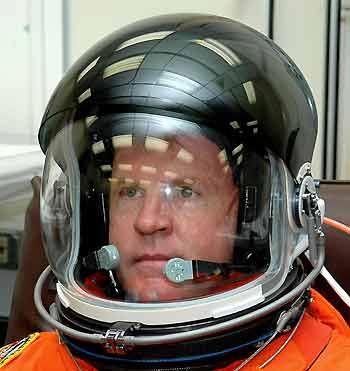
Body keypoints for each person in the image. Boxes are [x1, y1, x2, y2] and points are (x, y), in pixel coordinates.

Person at [2, 13, 350, 371]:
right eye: (130, 191)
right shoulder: (27, 363)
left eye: (185, 191)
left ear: (248, 214)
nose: (149, 221)